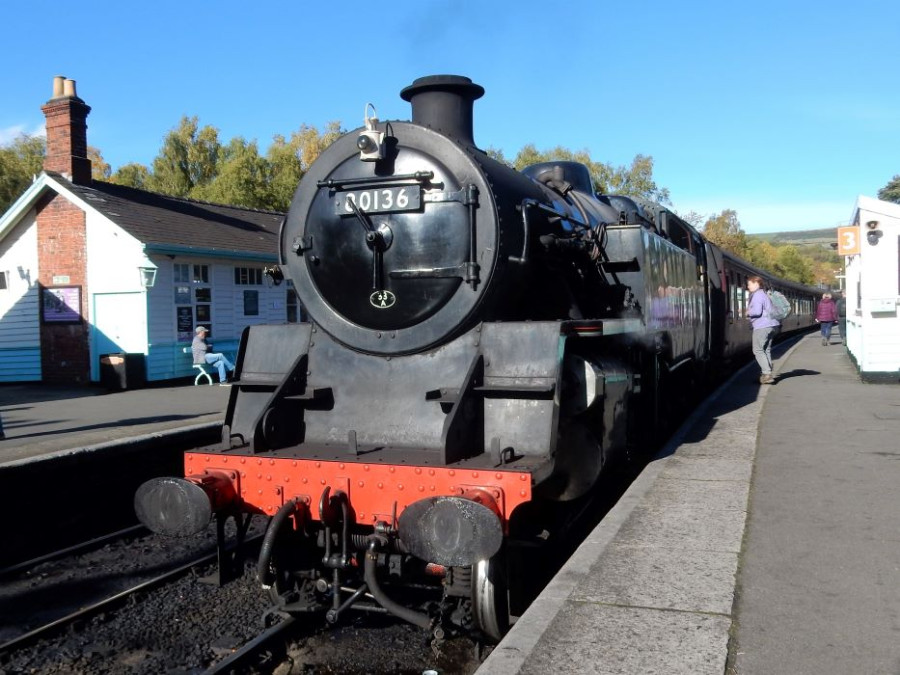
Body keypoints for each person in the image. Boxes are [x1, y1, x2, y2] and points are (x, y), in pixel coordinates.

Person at [746, 276, 780, 384]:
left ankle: (767, 374)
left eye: (749, 284)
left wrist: (747, 312)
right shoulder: (764, 294)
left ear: (756, 283)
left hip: (762, 326)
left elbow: (756, 311)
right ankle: (766, 374)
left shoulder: (757, 295)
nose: (748, 286)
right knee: (766, 350)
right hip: (772, 325)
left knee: (758, 350)